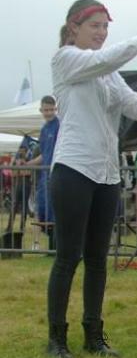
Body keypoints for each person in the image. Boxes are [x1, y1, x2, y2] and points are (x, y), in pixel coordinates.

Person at [45, 0, 137, 358]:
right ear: (74, 27)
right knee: (68, 257)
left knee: (98, 258)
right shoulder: (67, 60)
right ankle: (56, 339)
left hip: (107, 174)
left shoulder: (107, 73)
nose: (102, 33)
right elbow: (106, 58)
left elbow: (136, 107)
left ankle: (94, 335)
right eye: (95, 26)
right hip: (73, 169)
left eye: (105, 27)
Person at [27, 96, 60, 250]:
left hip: (57, 173)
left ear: (56, 109)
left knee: (56, 209)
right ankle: (40, 244)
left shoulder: (60, 125)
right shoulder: (44, 129)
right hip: (44, 176)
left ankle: (56, 246)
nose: (48, 113)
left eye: (51, 109)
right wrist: (28, 164)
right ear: (41, 110)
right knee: (41, 209)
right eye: (45, 110)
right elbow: (43, 154)